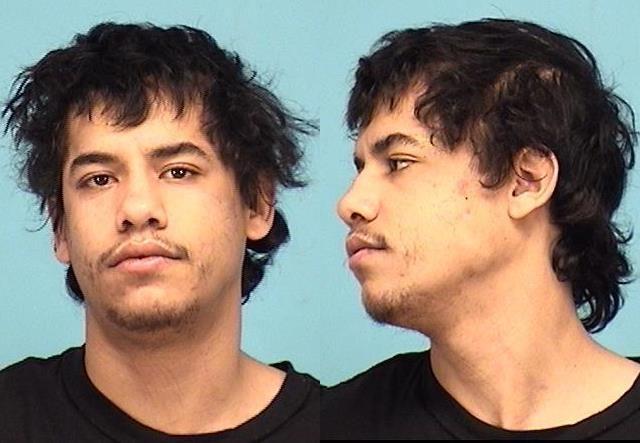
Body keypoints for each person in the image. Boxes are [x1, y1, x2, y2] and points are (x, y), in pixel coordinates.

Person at [0, 22, 320, 441]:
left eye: (178, 172)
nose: (137, 209)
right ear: (60, 227)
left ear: (257, 204)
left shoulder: (343, 424)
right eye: (99, 179)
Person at [323, 18, 640, 439]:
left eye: (399, 163)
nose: (350, 204)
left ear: (526, 181)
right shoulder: (336, 423)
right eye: (361, 168)